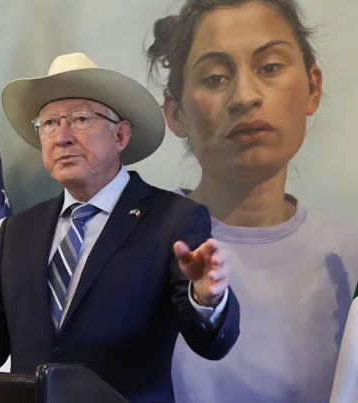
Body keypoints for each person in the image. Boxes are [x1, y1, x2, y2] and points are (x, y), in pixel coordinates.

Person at [0, 52, 240, 402]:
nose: (62, 137)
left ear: (120, 136)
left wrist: (207, 300)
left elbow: (211, 344)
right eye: (49, 123)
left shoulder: (173, 217)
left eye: (81, 119)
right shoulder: (17, 232)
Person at [146, 1, 358, 402]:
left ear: (313, 87)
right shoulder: (131, 246)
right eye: (215, 77)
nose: (244, 96)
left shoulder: (351, 258)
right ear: (175, 114)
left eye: (270, 67)